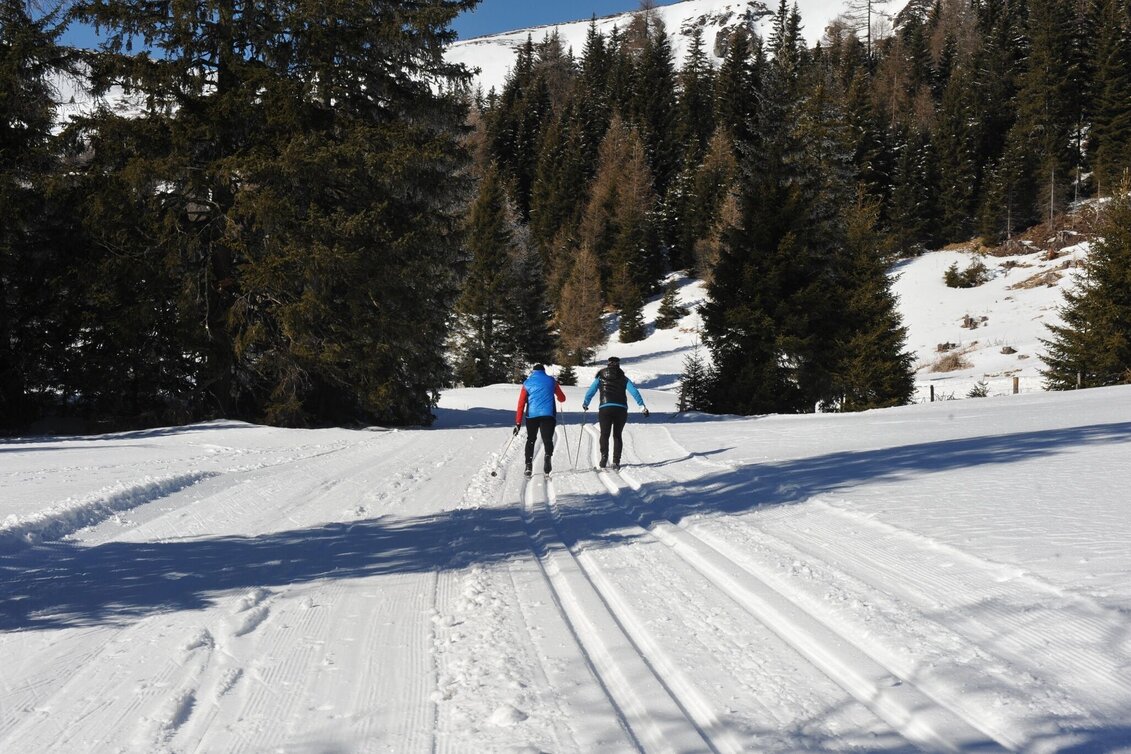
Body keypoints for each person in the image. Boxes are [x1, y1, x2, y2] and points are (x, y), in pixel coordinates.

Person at [581, 356, 648, 469]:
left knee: (604, 434)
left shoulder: (600, 377)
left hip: (605, 408)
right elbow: (634, 392)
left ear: (608, 364)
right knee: (617, 435)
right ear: (618, 365)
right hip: (621, 409)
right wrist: (642, 406)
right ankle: (616, 461)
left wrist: (586, 403)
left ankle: (604, 457)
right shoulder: (623, 378)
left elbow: (591, 391)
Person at [514, 364, 567, 476]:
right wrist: (557, 397)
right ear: (544, 371)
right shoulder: (551, 380)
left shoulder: (527, 383)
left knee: (531, 439)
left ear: (533, 372)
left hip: (532, 415)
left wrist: (518, 422)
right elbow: (562, 398)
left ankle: (528, 465)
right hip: (548, 415)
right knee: (547, 439)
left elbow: (521, 403)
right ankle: (547, 457)